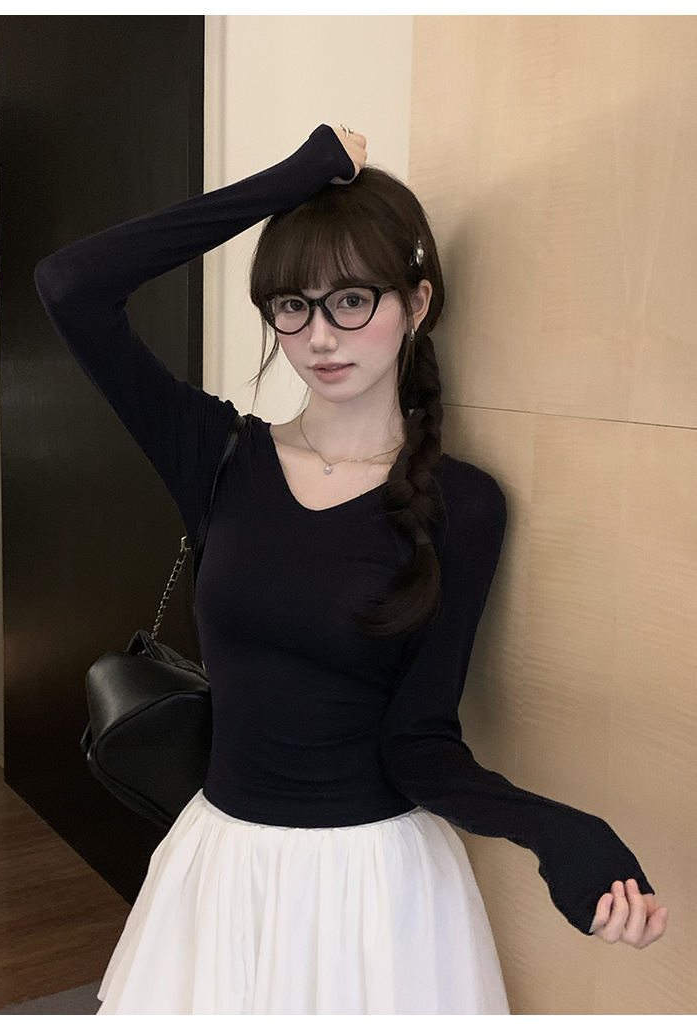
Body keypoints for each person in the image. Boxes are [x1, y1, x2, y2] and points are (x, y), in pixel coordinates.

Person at [34, 124, 667, 1015]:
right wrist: (294, 180)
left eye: (353, 301)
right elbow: (71, 284)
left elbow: (422, 743)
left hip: (376, 891)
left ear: (418, 302)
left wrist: (559, 831)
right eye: (291, 306)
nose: (320, 337)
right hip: (224, 872)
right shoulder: (218, 457)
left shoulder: (463, 507)